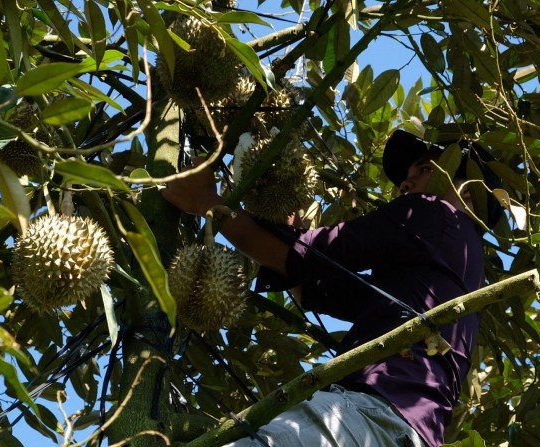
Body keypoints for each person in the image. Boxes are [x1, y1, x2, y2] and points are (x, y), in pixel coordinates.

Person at [161, 130, 503, 447]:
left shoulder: (434, 213)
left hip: (371, 417)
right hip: (409, 433)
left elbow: (299, 259)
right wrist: (287, 232)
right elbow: (315, 287)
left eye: (423, 169)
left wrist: (205, 199)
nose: (406, 182)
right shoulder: (455, 268)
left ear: (467, 190)